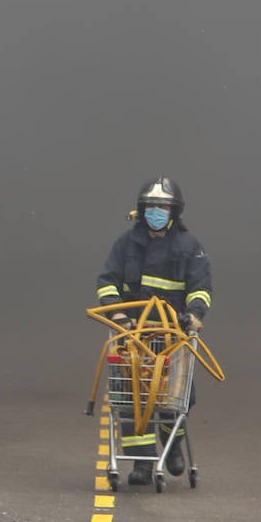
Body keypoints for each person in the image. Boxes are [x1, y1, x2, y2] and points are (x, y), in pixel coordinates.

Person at [95, 175, 212, 485]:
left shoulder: (189, 246)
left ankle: (172, 445)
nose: (156, 211)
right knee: (132, 398)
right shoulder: (126, 243)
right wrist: (118, 315)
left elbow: (200, 288)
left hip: (171, 338)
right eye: (151, 206)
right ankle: (142, 463)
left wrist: (193, 316)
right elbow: (107, 281)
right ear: (141, 209)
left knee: (172, 398)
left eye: (163, 206)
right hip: (132, 337)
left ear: (175, 211)